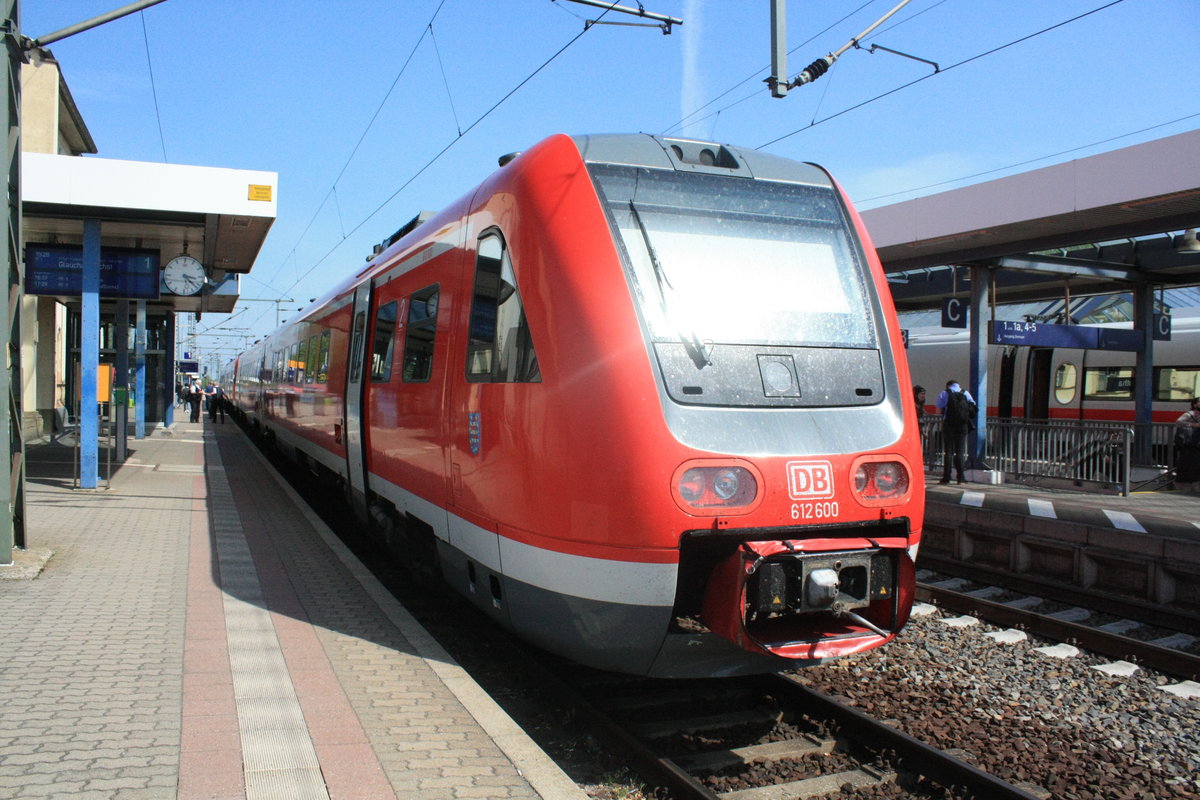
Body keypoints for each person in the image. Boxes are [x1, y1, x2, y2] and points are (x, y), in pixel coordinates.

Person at [936, 379, 976, 485]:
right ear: (958, 385)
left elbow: (939, 406)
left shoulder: (945, 393)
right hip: (962, 425)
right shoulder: (965, 393)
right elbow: (973, 406)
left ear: (947, 386)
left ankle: (946, 477)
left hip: (948, 424)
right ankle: (961, 478)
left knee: (948, 451)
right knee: (960, 451)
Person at [1174, 397, 1200, 491]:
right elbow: (1179, 421)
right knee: (1187, 463)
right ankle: (1184, 483)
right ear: (1195, 404)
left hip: (1197, 443)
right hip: (1190, 443)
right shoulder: (1190, 414)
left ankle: (1193, 483)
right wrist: (1194, 425)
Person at [913, 385, 927, 466]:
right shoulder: (912, 405)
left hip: (919, 431)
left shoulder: (920, 406)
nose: (923, 396)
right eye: (921, 394)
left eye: (924, 394)